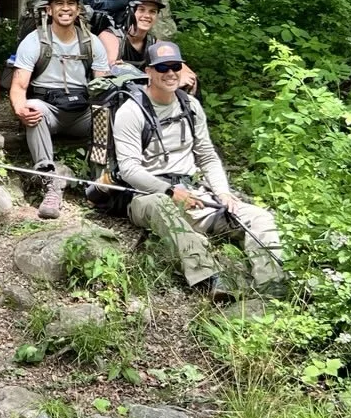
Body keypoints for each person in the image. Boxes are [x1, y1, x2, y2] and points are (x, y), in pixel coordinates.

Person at [112, 41, 284, 299]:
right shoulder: (131, 111)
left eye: (175, 67)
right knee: (161, 204)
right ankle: (211, 277)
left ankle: (273, 285)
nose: (170, 73)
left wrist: (223, 192)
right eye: (162, 68)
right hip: (148, 197)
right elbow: (129, 169)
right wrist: (170, 191)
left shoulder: (191, 106)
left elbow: (207, 155)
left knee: (259, 217)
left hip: (195, 193)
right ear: (148, 71)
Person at [8, 0, 112, 220]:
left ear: (78, 9)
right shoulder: (34, 41)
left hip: (81, 111)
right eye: (59, 4)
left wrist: (103, 109)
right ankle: (50, 182)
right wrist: (20, 109)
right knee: (34, 109)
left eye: (71, 4)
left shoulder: (92, 42)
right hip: (50, 108)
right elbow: (19, 86)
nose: (65, 9)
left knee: (107, 112)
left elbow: (102, 88)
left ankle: (100, 183)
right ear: (49, 9)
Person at [116, 0, 197, 92]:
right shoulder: (113, 36)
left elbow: (186, 71)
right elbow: (111, 70)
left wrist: (184, 76)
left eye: (152, 11)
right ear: (129, 11)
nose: (147, 15)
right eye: (141, 10)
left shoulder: (154, 43)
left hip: (147, 96)